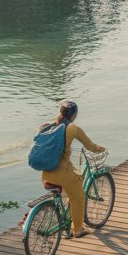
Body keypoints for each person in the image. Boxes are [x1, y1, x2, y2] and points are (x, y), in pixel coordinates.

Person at [39, 100, 105, 239]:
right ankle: (78, 229)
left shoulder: (48, 126)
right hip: (63, 173)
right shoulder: (73, 129)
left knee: (72, 186)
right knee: (79, 197)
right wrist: (101, 149)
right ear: (74, 115)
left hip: (46, 172)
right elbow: (90, 145)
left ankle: (63, 216)